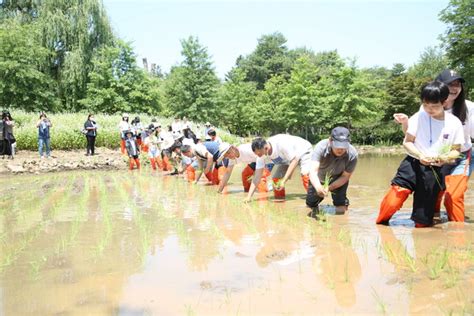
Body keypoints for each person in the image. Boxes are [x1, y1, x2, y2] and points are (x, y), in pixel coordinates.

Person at [376, 81, 464, 228]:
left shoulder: (454, 123)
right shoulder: (419, 116)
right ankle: (380, 226)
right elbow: (407, 142)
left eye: (434, 106)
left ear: (444, 102)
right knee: (394, 198)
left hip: (435, 170)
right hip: (413, 162)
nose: (429, 109)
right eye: (426, 105)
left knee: (422, 221)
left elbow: (456, 150)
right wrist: (420, 155)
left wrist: (444, 158)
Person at [394, 69, 474, 222]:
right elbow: (410, 136)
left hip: (461, 156)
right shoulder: (426, 107)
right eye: (449, 84)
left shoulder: (469, 107)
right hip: (434, 158)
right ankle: (433, 226)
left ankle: (457, 232)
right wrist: (405, 123)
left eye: (457, 84)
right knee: (434, 195)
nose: (454, 88)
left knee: (454, 195)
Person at [306, 127, 358, 217]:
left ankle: (325, 210)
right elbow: (313, 172)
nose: (340, 149)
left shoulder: (352, 154)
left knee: (342, 210)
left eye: (344, 146)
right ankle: (318, 209)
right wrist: (319, 188)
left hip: (339, 178)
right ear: (330, 140)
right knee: (310, 206)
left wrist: (329, 187)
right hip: (319, 178)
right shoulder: (321, 147)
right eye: (337, 145)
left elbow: (345, 176)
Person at [251, 134, 313, 199]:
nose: (259, 156)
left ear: (266, 148)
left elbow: (294, 160)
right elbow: (257, 177)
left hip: (303, 150)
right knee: (277, 179)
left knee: (305, 175)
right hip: (288, 158)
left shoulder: (281, 143)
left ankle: (314, 200)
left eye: (260, 154)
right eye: (257, 155)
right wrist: (249, 197)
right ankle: (280, 201)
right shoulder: (261, 154)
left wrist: (284, 180)